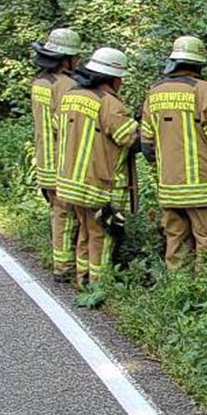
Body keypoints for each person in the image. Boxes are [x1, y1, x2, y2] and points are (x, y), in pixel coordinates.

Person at [140, 36, 207, 271]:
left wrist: (161, 174)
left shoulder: (154, 93)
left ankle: (178, 295)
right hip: (204, 190)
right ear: (199, 64)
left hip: (169, 190)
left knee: (175, 243)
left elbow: (147, 145)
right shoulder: (203, 90)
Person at [55, 47, 138, 287]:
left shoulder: (71, 95)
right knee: (102, 235)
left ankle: (83, 279)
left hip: (70, 181)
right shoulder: (109, 103)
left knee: (85, 230)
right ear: (112, 78)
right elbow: (129, 139)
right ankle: (99, 285)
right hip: (98, 185)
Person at [30, 27, 82, 282]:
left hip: (44, 161)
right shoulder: (67, 86)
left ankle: (60, 263)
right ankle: (64, 268)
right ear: (67, 58)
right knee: (68, 215)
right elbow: (66, 125)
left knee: (58, 213)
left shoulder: (40, 82)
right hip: (63, 162)